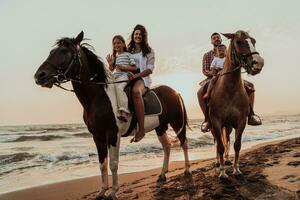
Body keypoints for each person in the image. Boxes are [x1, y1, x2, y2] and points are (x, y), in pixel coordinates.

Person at [197, 32, 261, 133]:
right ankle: (207, 119)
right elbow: (205, 70)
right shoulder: (207, 55)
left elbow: (238, 61)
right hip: (214, 77)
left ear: (221, 39)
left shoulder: (229, 51)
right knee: (200, 92)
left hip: (230, 77)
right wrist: (213, 72)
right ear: (211, 41)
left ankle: (251, 114)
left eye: (218, 37)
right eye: (214, 38)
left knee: (250, 86)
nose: (216, 39)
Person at [127, 24, 155, 142]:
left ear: (143, 37)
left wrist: (137, 75)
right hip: (128, 78)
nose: (137, 36)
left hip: (142, 79)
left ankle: (142, 129)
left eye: (140, 34)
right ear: (133, 36)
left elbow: (150, 69)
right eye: (136, 34)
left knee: (135, 92)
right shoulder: (128, 50)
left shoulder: (149, 51)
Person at [106, 35, 137, 122]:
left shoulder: (128, 55)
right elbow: (112, 70)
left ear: (123, 44)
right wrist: (110, 64)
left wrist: (124, 67)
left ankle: (124, 111)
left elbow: (134, 68)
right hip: (116, 76)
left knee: (119, 88)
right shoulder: (115, 57)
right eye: (114, 43)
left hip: (125, 75)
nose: (116, 45)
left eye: (118, 43)